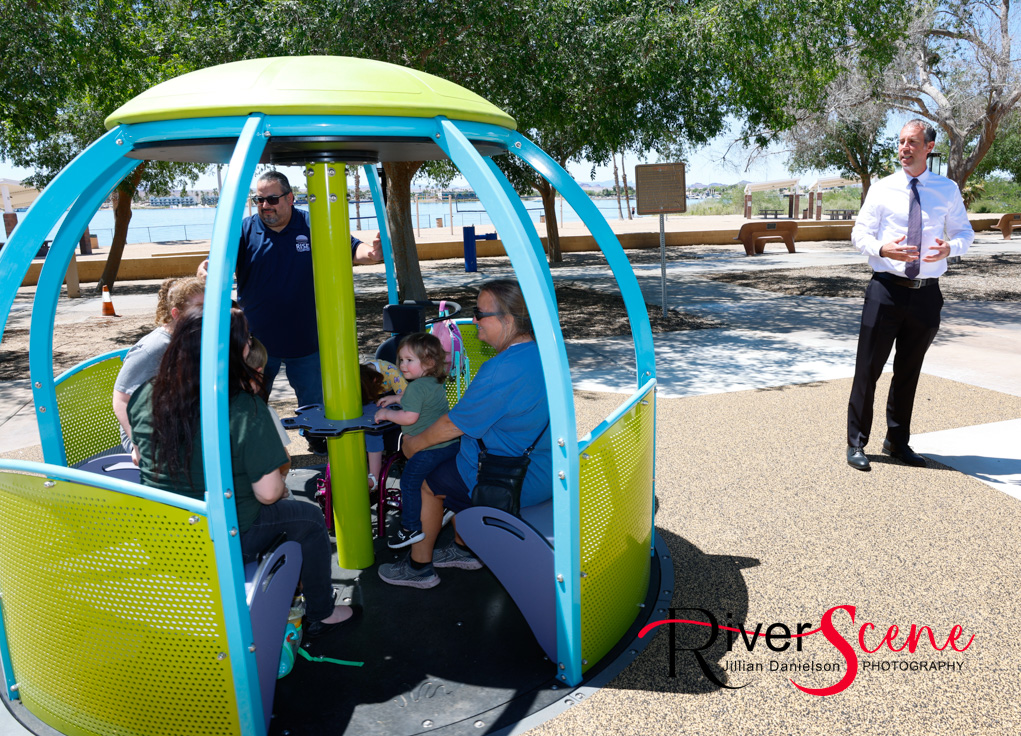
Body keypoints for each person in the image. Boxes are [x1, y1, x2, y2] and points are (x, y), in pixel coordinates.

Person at [127, 309, 352, 638]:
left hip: (164, 535)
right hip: (224, 533)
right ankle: (322, 610)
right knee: (309, 519)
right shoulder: (242, 407)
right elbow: (270, 493)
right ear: (232, 352)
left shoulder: (147, 394)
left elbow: (139, 456)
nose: (250, 342)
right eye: (245, 338)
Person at [378, 279, 551, 589]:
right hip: (544, 465)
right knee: (453, 464)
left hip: (512, 477)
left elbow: (452, 424)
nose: (474, 321)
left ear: (507, 320)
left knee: (428, 483)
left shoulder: (501, 369)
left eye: (480, 313)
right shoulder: (544, 353)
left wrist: (413, 444)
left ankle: (419, 568)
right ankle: (463, 548)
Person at [201, 170, 383, 455]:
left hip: (307, 341)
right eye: (258, 199)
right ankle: (251, 456)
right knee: (251, 402)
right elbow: (216, 264)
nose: (265, 206)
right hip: (257, 344)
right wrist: (207, 270)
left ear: (290, 198)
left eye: (271, 199)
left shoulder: (313, 224)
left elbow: (351, 249)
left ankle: (319, 450)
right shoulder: (245, 230)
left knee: (315, 409)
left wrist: (371, 254)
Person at [845, 119, 974, 471]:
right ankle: (856, 443)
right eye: (901, 142)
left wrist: (951, 248)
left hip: (926, 296)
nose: (904, 148)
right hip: (885, 290)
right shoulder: (882, 189)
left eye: (912, 142)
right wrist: (883, 249)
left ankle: (897, 442)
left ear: (928, 147)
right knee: (868, 369)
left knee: (908, 371)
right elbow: (860, 234)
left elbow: (965, 232)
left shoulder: (946, 190)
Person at [374, 333, 459, 549]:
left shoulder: (416, 387)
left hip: (429, 449)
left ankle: (410, 527)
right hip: (449, 446)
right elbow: (416, 400)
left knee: (409, 482)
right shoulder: (433, 382)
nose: (402, 365)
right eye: (401, 359)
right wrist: (395, 399)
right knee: (432, 480)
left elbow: (409, 416)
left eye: (409, 360)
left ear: (429, 362)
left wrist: (387, 415)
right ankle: (447, 506)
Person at [112, 276, 204, 454]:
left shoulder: (194, 338)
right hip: (149, 434)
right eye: (200, 309)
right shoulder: (152, 349)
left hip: (182, 420)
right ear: (176, 314)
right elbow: (122, 399)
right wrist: (138, 445)